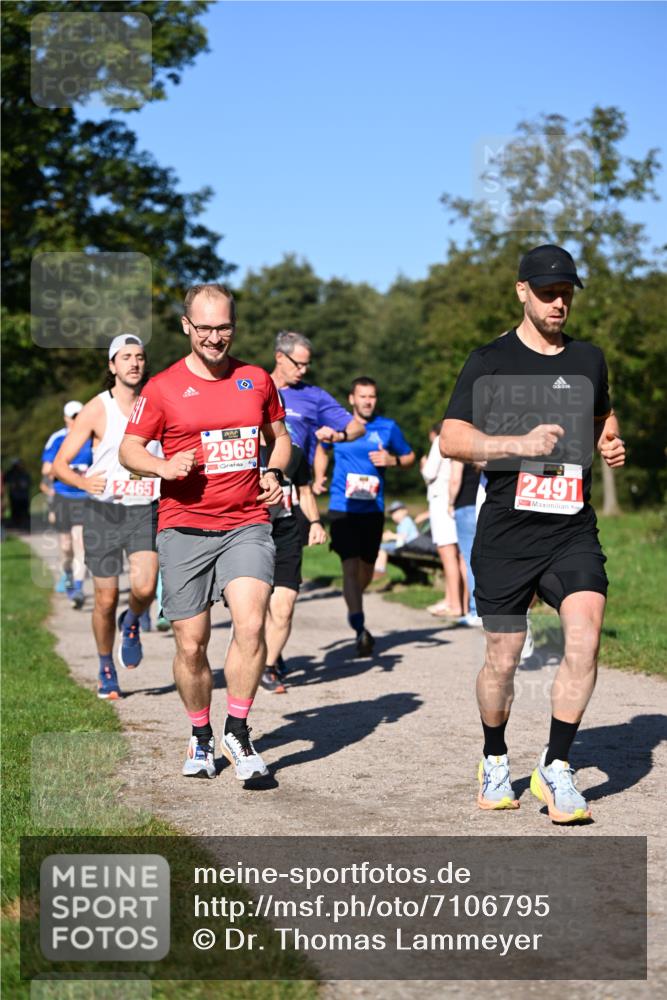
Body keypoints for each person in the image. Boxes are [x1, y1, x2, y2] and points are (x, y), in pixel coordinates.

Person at [441, 244, 625, 823]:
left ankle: (557, 766)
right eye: (547, 293)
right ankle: (495, 757)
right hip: (506, 534)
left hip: (570, 528)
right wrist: (513, 445)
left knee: (585, 636)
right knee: (503, 658)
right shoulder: (489, 361)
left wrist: (609, 440)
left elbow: (602, 415)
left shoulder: (589, 358)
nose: (558, 303)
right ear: (522, 291)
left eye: (566, 292)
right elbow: (452, 438)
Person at [119, 283, 291, 783]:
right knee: (192, 644)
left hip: (246, 523)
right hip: (184, 527)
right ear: (186, 326)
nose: (215, 338)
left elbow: (279, 440)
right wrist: (163, 465)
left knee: (252, 624)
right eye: (205, 328)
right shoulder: (162, 388)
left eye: (224, 327)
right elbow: (131, 449)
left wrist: (275, 473)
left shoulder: (256, 379)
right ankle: (200, 734)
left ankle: (237, 729)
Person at [52, 335, 160, 699]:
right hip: (104, 512)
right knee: (105, 598)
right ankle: (105, 665)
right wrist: (84, 482)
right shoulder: (97, 408)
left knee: (145, 588)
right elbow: (59, 466)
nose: (134, 363)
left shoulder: (157, 402)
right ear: (112, 366)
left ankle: (131, 623)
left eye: (140, 357)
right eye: (126, 357)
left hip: (145, 508)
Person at [315, 377, 415, 656]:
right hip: (342, 507)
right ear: (352, 399)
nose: (368, 401)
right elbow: (321, 450)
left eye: (372, 396)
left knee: (367, 570)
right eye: (363, 396)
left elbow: (409, 457)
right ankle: (360, 627)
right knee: (349, 565)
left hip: (373, 508)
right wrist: (319, 476)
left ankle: (353, 599)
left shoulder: (388, 427)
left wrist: (392, 461)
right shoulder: (340, 425)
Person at [260, 436, 328, 693]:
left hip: (286, 532)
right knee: (257, 607)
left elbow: (305, 492)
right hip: (249, 533)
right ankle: (259, 653)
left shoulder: (294, 453)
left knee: (284, 606)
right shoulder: (240, 449)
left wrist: (316, 522)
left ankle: (268, 668)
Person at [41, 400, 92, 607]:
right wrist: (68, 471)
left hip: (84, 496)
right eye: (73, 416)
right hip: (63, 496)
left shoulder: (92, 437)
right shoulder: (58, 438)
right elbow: (46, 470)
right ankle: (68, 574)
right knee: (66, 545)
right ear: (65, 418)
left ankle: (78, 588)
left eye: (80, 415)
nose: (76, 420)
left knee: (80, 542)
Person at [420, 422, 468, 619]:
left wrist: (423, 466)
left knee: (447, 553)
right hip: (457, 501)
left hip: (441, 500)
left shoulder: (440, 440)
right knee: (459, 555)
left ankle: (455, 605)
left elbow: (429, 473)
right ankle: (459, 602)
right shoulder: (464, 441)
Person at [447, 460, 482, 626]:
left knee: (470, 561)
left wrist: (450, 502)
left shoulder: (462, 451)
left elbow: (455, 479)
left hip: (465, 506)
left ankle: (476, 611)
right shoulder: (487, 447)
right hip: (485, 507)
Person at [373, 500, 419, 576]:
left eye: (397, 512)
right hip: (405, 545)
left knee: (381, 548)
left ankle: (379, 570)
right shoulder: (402, 523)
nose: (394, 515)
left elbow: (403, 537)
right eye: (392, 514)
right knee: (382, 547)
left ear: (405, 511)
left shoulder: (406, 521)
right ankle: (378, 569)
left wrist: (391, 536)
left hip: (408, 546)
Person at [4, 458, 31, 530]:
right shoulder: (10, 473)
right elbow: (5, 481)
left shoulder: (24, 473)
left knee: (24, 511)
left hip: (23, 495)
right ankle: (17, 525)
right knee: (15, 511)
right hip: (14, 495)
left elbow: (28, 483)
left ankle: (25, 525)